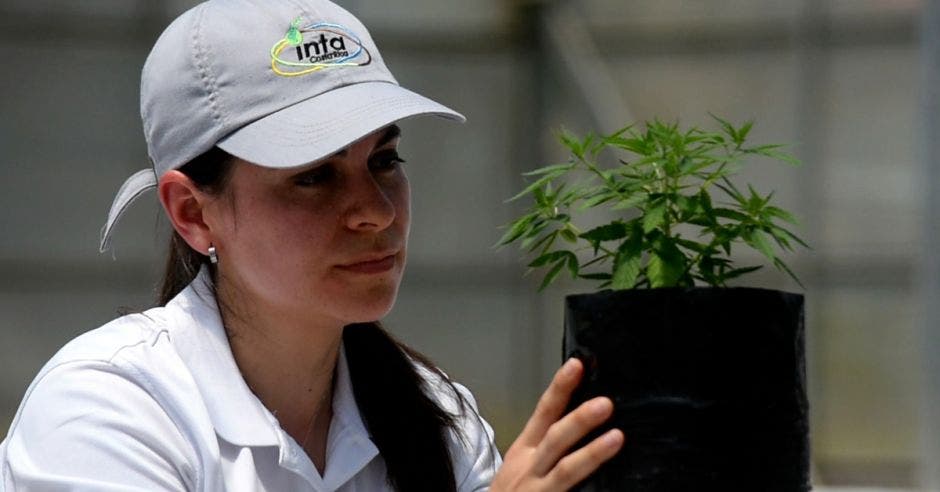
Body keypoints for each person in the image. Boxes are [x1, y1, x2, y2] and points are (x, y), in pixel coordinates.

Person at [0, 0, 624, 490]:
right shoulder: (110, 409)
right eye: (312, 176)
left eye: (385, 159)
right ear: (192, 212)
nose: (376, 212)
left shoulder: (438, 417)